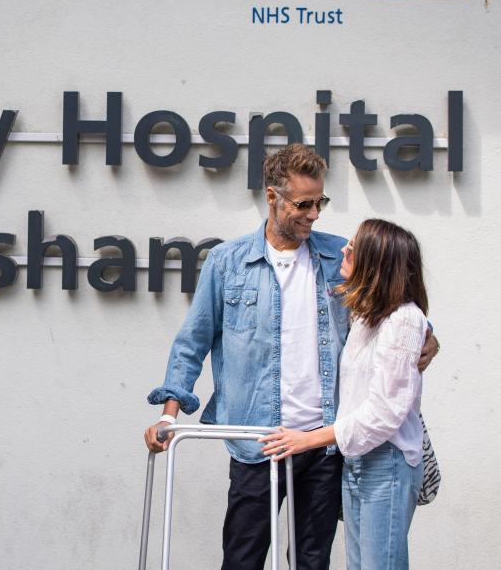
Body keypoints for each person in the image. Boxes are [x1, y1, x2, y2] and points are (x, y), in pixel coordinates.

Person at [143, 143, 439, 570]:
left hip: (322, 444)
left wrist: (430, 335)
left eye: (320, 202)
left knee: (312, 560)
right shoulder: (228, 262)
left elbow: (394, 301)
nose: (314, 213)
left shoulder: (340, 254)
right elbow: (193, 342)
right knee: (242, 559)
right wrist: (170, 416)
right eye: (303, 203)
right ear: (272, 197)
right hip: (257, 442)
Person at [260, 219, 429, 569]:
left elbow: (384, 413)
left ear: (375, 261)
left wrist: (307, 439)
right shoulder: (367, 317)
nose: (343, 250)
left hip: (388, 462)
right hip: (359, 461)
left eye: (352, 247)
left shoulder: (404, 320)